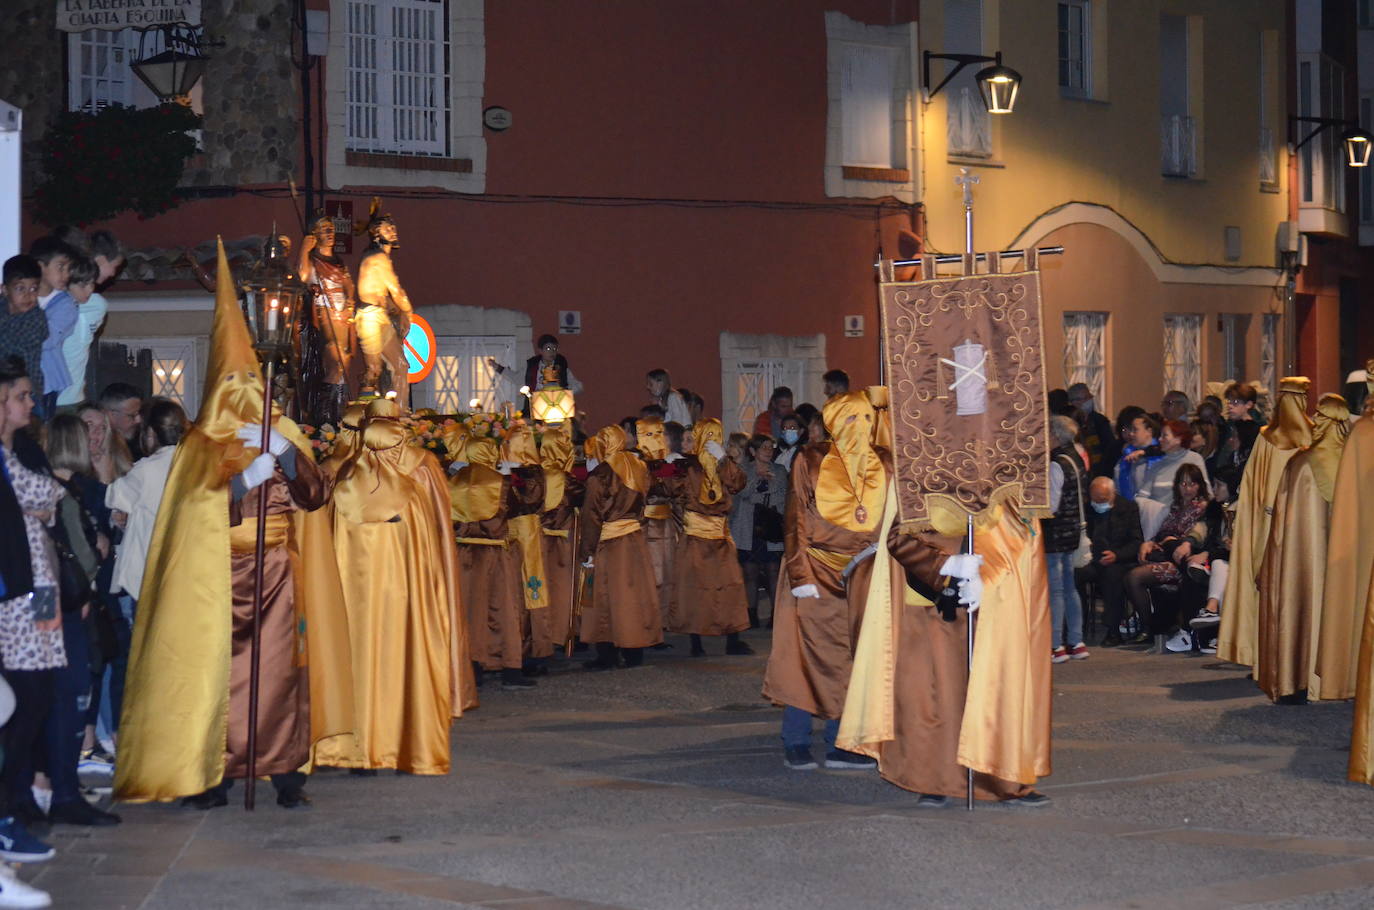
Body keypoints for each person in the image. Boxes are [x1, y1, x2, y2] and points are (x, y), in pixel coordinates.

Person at [114, 242, 352, 809]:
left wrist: (286, 456)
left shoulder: (281, 430)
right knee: (219, 675)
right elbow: (192, 515)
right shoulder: (199, 446)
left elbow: (316, 498)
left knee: (277, 673)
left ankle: (284, 769)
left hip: (277, 572)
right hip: (216, 575)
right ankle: (215, 771)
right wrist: (244, 483)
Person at [315, 399, 475, 774]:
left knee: (352, 659)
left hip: (351, 602)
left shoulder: (345, 480)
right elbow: (436, 531)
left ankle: (348, 744)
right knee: (403, 658)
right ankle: (403, 739)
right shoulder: (420, 475)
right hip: (403, 598)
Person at [761, 392, 884, 771]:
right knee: (802, 656)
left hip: (862, 573)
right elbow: (795, 516)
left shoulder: (884, 463)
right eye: (850, 420)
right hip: (814, 569)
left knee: (850, 657)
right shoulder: (810, 459)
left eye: (866, 420)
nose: (860, 429)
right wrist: (800, 573)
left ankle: (840, 740)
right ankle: (796, 740)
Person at [39, 415, 120, 826]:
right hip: (58, 607)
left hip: (60, 606)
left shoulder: (63, 488)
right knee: (64, 694)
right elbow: (67, 552)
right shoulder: (56, 491)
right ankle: (56, 788)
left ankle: (57, 784)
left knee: (68, 691)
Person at [0, 361, 67, 832]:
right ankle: (12, 796)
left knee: (44, 690)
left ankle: (23, 791)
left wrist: (41, 503)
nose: (30, 403)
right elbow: (40, 491)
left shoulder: (22, 448)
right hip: (15, 594)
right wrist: (41, 502)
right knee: (23, 697)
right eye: (22, 395)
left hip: (44, 587)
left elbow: (52, 497)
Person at [1255, 394, 1349, 702]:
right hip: (1344, 560)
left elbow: (1283, 521)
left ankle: (1297, 678)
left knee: (1300, 605)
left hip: (1302, 561)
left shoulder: (1301, 464)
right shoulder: (1355, 461)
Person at [1218, 377, 1313, 670]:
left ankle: (1276, 656)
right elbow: (1251, 483)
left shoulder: (1272, 437)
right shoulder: (1288, 437)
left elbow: (1250, 485)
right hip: (1287, 526)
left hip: (1274, 524)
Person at [103, 400, 184, 733]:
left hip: (147, 575)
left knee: (143, 658)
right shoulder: (194, 465)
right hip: (184, 573)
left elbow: (113, 497)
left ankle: (137, 731)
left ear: (150, 434)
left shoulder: (147, 469)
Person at [450, 430, 544, 690]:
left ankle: (473, 666)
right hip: (496, 552)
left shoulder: (454, 481)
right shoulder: (501, 482)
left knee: (470, 611)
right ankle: (510, 668)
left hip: (464, 553)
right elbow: (522, 506)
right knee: (504, 609)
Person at [663, 419, 752, 656]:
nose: (687, 444)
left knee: (729, 589)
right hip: (695, 537)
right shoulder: (685, 466)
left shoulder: (723, 464)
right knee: (695, 590)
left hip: (720, 537)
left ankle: (733, 639)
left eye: (691, 439)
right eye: (685, 439)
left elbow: (739, 483)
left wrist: (723, 459)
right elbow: (667, 488)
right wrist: (666, 466)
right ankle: (696, 642)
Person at [577, 425, 662, 669]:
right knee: (634, 596)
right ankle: (635, 652)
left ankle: (607, 654)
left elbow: (591, 516)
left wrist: (587, 552)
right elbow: (646, 499)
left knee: (606, 598)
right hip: (634, 540)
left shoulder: (601, 475)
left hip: (610, 542)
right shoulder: (639, 466)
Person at [1122, 463, 1211, 647]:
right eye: (1183, 484)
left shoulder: (1204, 507)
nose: (1187, 489)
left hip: (1183, 560)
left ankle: (1148, 627)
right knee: (1130, 569)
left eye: (1192, 484)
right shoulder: (1175, 508)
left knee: (1135, 577)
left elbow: (1197, 536)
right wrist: (1150, 542)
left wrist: (1173, 540)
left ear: (1200, 485)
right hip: (1165, 554)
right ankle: (1147, 623)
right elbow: (1161, 534)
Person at [297, 214, 358, 426]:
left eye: (331, 228)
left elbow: (349, 285)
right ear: (315, 234)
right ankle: (324, 412)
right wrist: (304, 250)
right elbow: (303, 277)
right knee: (335, 356)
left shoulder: (338, 262)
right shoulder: (313, 261)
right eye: (324, 229)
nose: (330, 233)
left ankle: (338, 412)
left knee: (346, 361)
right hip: (325, 310)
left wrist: (350, 302)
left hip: (343, 313)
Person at [1075, 477, 1143, 647]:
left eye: (1103, 499)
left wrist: (1117, 555)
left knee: (1112, 576)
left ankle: (1113, 630)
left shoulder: (1128, 508)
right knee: (1074, 575)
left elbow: (1136, 542)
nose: (1099, 503)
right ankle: (1077, 624)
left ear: (1113, 495)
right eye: (1095, 499)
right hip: (1091, 558)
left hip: (1119, 560)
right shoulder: (1085, 508)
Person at [355, 207, 412, 406]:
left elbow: (386, 295)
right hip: (369, 316)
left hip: (380, 316)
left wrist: (395, 309)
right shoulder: (378, 259)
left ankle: (401, 414)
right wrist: (407, 312)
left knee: (401, 365)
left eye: (393, 228)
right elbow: (396, 291)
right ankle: (363, 413)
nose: (393, 231)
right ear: (376, 234)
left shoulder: (381, 258)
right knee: (374, 370)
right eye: (388, 229)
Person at [1043, 416, 1089, 663]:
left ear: (1055, 435)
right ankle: (1077, 641)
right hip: (1073, 530)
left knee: (1057, 588)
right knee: (1070, 587)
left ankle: (1056, 645)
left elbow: (1051, 504)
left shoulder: (1056, 462)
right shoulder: (1077, 458)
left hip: (1055, 532)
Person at [731, 434, 786, 629]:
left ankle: (775, 614)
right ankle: (751, 614)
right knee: (750, 571)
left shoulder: (779, 470)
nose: (768, 451)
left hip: (771, 525)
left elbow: (782, 494)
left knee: (773, 570)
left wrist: (761, 495)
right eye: (764, 447)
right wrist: (758, 481)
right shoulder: (742, 470)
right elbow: (740, 492)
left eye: (771, 447)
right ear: (753, 451)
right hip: (747, 525)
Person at [538, 424, 583, 654]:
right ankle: (562, 633)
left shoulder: (535, 477)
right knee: (563, 588)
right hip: (564, 542)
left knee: (542, 588)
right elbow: (581, 498)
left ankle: (542, 634)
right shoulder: (567, 480)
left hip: (540, 542)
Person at [637, 417, 680, 632]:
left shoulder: (670, 465)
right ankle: (649, 623)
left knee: (668, 573)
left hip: (667, 525)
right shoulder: (637, 465)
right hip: (647, 525)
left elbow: (676, 491)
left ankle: (663, 621)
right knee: (652, 576)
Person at [28, 238, 76, 419]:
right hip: (16, 379)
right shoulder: (19, 297)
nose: (66, 274)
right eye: (60, 267)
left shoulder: (65, 304)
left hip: (45, 382)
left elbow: (46, 338)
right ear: (40, 267)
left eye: (68, 269)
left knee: (40, 429)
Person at [54, 256, 107, 409]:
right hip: (50, 395)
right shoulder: (50, 307)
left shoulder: (97, 305)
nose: (89, 290)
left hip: (76, 396)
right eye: (83, 285)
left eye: (91, 284)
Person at [490, 335, 584, 416]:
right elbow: (516, 378)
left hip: (557, 410)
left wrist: (562, 392)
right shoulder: (532, 366)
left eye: (554, 349)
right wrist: (498, 367)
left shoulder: (561, 367)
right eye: (548, 348)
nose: (552, 352)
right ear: (540, 350)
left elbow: (579, 386)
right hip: (535, 408)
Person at [0, 258, 47, 412]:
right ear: (5, 290)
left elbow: (11, 353)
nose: (28, 295)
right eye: (21, 289)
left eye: (34, 289)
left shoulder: (36, 318)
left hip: (27, 394)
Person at [1135, 419, 1210, 506]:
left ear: (1178, 439)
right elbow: (1142, 497)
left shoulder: (1195, 459)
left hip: (1187, 516)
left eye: (1164, 436)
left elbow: (1206, 493)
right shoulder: (1157, 465)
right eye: (1160, 435)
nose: (1159, 439)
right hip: (1158, 517)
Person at [1214, 382, 1262, 501]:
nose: (1230, 406)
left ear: (1249, 404)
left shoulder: (1255, 431)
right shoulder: (1228, 427)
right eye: (1229, 402)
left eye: (1235, 402)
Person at [1067, 382, 1118, 478]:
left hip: (1100, 472)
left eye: (1089, 396)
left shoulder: (1099, 421)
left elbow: (1110, 447)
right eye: (1085, 398)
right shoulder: (1069, 424)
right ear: (1074, 402)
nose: (1090, 400)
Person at [1115, 412, 1162, 502]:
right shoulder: (1127, 453)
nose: (1131, 434)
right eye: (1130, 430)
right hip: (1129, 508)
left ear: (1149, 431)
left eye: (1135, 430)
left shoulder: (1161, 455)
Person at [97, 383, 144, 458]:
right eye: (132, 415)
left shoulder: (142, 443)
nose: (138, 420)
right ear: (110, 415)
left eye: (139, 414)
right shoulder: (96, 448)